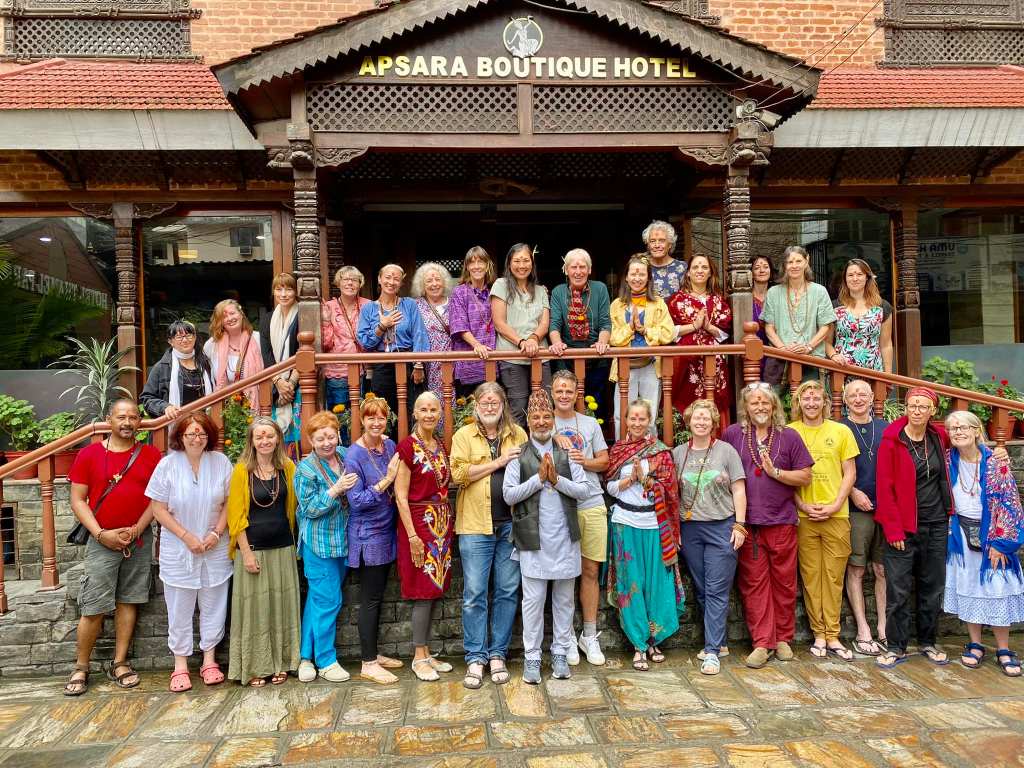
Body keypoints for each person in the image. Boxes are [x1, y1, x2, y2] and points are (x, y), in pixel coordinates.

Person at [63, 399, 161, 696]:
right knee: (93, 605)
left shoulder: (151, 455)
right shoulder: (89, 454)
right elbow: (78, 500)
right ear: (109, 420)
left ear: (140, 422)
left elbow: (157, 499)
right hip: (101, 541)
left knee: (128, 600)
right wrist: (100, 533)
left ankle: (120, 662)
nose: (127, 422)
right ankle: (81, 666)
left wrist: (137, 529)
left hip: (137, 540)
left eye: (133, 417)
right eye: (121, 417)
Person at [722, 383, 813, 669]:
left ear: (774, 406)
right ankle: (762, 642)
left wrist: (776, 473)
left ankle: (783, 638)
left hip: (781, 519)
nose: (760, 407)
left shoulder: (789, 436)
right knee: (753, 584)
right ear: (746, 407)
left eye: (765, 402)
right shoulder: (733, 434)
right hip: (747, 523)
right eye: (754, 402)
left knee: (784, 583)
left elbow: (805, 476)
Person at [504, 391, 590, 684]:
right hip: (533, 538)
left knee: (564, 601)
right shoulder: (518, 455)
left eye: (546, 417)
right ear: (528, 421)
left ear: (553, 420)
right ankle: (532, 657)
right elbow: (509, 495)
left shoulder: (567, 452)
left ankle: (560, 653)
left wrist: (556, 480)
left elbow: (584, 490)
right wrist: (538, 479)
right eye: (536, 417)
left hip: (565, 538)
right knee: (533, 601)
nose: (541, 422)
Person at [147, 413, 232, 692]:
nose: (197, 439)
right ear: (180, 437)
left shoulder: (221, 462)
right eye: (191, 434)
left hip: (214, 546)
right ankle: (180, 665)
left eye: (202, 433)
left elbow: (230, 502)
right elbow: (158, 508)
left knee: (214, 603)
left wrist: (215, 533)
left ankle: (209, 660)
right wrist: (186, 537)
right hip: (178, 547)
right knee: (179, 607)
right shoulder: (167, 465)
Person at [450, 382, 527, 688]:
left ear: (503, 404)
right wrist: (498, 462)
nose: (490, 407)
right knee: (474, 593)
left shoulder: (518, 435)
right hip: (474, 525)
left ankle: (497, 654)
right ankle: (475, 657)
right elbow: (458, 474)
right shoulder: (463, 435)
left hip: (510, 525)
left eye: (495, 402)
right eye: (485, 402)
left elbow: (529, 471)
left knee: (507, 590)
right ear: (476, 406)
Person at [605, 399, 685, 672]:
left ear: (649, 421)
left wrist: (646, 480)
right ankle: (638, 644)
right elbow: (609, 487)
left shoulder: (661, 452)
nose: (637, 423)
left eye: (642, 419)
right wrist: (629, 480)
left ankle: (654, 639)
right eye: (633, 418)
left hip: (654, 523)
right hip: (625, 522)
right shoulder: (618, 450)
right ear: (626, 420)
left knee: (655, 582)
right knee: (631, 582)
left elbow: (670, 491)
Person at [874, 387, 952, 668]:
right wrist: (893, 530)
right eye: (912, 405)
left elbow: (970, 443)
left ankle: (928, 642)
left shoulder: (938, 436)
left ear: (933, 411)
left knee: (932, 587)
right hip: (903, 528)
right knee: (898, 591)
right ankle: (896, 646)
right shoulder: (892, 440)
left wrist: (999, 450)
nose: (916, 411)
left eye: (923, 406)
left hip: (937, 524)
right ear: (906, 408)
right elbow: (884, 488)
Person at [944, 410, 1024, 676]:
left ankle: (1004, 649)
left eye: (964, 427)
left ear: (977, 430)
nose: (958, 432)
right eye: (953, 428)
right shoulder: (947, 460)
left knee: (997, 588)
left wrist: (1001, 543)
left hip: (993, 535)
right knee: (968, 587)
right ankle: (975, 644)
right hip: (960, 536)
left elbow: (1010, 502)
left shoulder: (995, 462)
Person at [226, 416, 300, 686]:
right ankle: (256, 666)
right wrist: (246, 553)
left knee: (282, 609)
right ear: (252, 441)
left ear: (278, 438)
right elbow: (235, 516)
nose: (265, 441)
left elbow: (295, 507)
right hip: (253, 550)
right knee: (255, 612)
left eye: (270, 435)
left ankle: (283, 662)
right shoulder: (241, 471)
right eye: (259, 437)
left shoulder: (288, 467)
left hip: (283, 549)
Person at [674, 400, 747, 675]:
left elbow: (739, 489)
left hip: (721, 527)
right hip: (690, 528)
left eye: (706, 418)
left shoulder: (726, 451)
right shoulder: (678, 453)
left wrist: (740, 525)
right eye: (697, 418)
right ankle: (721, 642)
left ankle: (712, 652)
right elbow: (671, 494)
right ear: (689, 422)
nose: (701, 422)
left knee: (716, 589)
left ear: (713, 422)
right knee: (703, 589)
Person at [789, 380, 858, 660]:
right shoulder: (789, 432)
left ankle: (833, 635)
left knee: (833, 577)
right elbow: (786, 476)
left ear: (825, 403)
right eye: (806, 398)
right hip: (803, 515)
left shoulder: (841, 431)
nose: (811, 403)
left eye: (816, 398)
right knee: (811, 577)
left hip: (836, 515)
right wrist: (802, 504)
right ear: (798, 403)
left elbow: (849, 472)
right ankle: (818, 634)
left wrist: (835, 504)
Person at [294, 411, 359, 684]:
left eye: (331, 436)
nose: (326, 443)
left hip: (342, 542)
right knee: (329, 601)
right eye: (320, 439)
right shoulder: (305, 469)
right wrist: (336, 489)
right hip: (319, 545)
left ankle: (305, 657)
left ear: (338, 435)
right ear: (311, 440)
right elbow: (309, 508)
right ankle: (326, 661)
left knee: (318, 600)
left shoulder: (344, 455)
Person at [395, 391, 455, 681]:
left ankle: (427, 653)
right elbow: (400, 496)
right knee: (421, 591)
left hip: (440, 528)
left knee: (432, 591)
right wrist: (412, 536)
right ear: (415, 413)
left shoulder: (438, 444)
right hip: (419, 526)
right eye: (424, 409)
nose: (429, 414)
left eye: (434, 410)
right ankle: (418, 657)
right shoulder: (407, 447)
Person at [551, 369, 609, 666]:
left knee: (590, 570)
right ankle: (566, 637)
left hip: (591, 501)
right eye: (559, 390)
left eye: (569, 391)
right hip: (558, 506)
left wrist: (583, 460)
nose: (564, 395)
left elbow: (604, 461)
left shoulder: (588, 423)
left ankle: (589, 634)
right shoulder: (544, 423)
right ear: (552, 393)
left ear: (576, 394)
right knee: (563, 573)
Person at [343, 395, 403, 684]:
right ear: (362, 420)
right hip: (367, 535)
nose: (376, 422)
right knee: (369, 600)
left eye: (381, 417)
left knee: (379, 597)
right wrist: (386, 481)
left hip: (387, 529)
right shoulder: (353, 456)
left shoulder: (388, 445)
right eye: (371, 418)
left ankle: (374, 654)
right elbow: (356, 501)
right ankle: (367, 663)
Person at [840, 378, 889, 656]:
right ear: (845, 400)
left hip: (885, 509)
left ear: (872, 398)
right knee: (856, 569)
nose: (858, 399)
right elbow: (833, 469)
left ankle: (883, 627)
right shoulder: (839, 428)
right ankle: (862, 629)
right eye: (852, 395)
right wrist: (852, 492)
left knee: (882, 569)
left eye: (863, 394)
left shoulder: (885, 428)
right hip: (856, 509)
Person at [609, 254, 675, 438]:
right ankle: (622, 452)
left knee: (650, 416)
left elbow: (668, 333)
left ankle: (651, 452)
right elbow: (612, 338)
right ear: (626, 277)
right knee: (621, 415)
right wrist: (630, 328)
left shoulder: (658, 303)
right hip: (625, 366)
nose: (637, 278)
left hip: (650, 365)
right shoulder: (617, 305)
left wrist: (645, 330)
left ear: (648, 278)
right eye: (633, 274)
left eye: (641, 274)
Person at [357, 264, 430, 427]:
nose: (391, 282)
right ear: (379, 279)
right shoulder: (368, 309)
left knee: (411, 408)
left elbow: (419, 333)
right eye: (388, 277)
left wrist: (418, 364)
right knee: (384, 411)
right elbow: (365, 342)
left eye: (396, 279)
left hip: (408, 361)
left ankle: (409, 443)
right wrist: (382, 326)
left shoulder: (409, 304)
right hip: (382, 364)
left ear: (401, 283)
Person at [548, 248, 612, 423]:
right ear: (566, 270)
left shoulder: (600, 288)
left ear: (589, 269)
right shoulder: (558, 291)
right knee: (565, 403)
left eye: (582, 267)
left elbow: (605, 322)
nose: (578, 272)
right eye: (573, 267)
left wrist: (602, 342)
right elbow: (554, 324)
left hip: (595, 356)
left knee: (595, 407)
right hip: (566, 358)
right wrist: (556, 343)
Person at [491, 243, 551, 427]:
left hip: (540, 355)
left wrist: (533, 339)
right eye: (517, 261)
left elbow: (544, 323)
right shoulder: (501, 285)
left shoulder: (540, 290)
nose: (522, 265)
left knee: (544, 406)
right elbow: (499, 323)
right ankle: (518, 446)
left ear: (532, 263)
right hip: (512, 356)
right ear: (509, 264)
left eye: (526, 260)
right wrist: (522, 342)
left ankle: (542, 446)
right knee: (518, 407)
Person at [666, 254, 733, 419]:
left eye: (704, 267)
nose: (700, 271)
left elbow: (725, 333)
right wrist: (694, 326)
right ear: (688, 273)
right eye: (695, 267)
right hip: (686, 362)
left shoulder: (718, 301)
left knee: (714, 404)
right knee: (687, 403)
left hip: (713, 362)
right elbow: (668, 332)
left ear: (710, 273)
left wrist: (709, 327)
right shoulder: (676, 300)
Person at [761, 245, 836, 385]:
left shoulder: (819, 291)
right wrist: (783, 349)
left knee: (810, 397)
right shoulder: (773, 292)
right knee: (772, 398)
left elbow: (825, 327)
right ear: (785, 265)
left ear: (806, 261)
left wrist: (808, 347)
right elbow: (769, 328)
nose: (794, 266)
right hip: (779, 359)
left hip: (811, 358)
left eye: (798, 261)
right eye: (790, 262)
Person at [259, 273, 302, 458]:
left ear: (296, 291)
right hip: (276, 387)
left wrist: (290, 384)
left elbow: (304, 352)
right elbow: (266, 354)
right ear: (273, 292)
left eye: (289, 289)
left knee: (299, 435)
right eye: (279, 289)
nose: (283, 294)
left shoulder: (303, 315)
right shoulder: (267, 319)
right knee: (277, 435)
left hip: (298, 384)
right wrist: (278, 382)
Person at [827, 258, 894, 373]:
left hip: (873, 372)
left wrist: (888, 375)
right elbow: (826, 342)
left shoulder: (883, 307)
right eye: (850, 275)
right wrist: (833, 355)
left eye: (859, 274)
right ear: (845, 279)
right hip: (842, 371)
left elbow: (886, 345)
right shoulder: (834, 307)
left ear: (867, 277)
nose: (855, 279)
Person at [448, 246, 497, 399]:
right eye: (472, 262)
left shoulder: (495, 291)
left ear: (487, 265)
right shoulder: (459, 292)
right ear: (467, 267)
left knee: (492, 407)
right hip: (468, 364)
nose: (476, 266)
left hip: (493, 362)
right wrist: (477, 345)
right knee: (467, 410)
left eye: (480, 261)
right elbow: (459, 325)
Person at [140, 319, 213, 419]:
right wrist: (165, 407)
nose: (185, 340)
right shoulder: (162, 367)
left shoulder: (206, 363)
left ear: (195, 337)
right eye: (179, 337)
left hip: (202, 423)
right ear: (170, 341)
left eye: (188, 335)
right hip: (177, 423)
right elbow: (147, 398)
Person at [321, 265, 370, 414]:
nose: (350, 283)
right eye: (346, 279)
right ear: (338, 283)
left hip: (364, 370)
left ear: (360, 284)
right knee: (340, 417)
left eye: (354, 280)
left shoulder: (368, 305)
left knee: (362, 415)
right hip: (337, 372)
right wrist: (326, 321)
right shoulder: (329, 307)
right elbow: (325, 344)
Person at [204, 298, 264, 410]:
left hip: (255, 406)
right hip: (224, 408)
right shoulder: (211, 345)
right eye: (224, 317)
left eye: (232, 313)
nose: (230, 318)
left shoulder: (258, 339)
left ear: (241, 314)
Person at [411, 261, 455, 403]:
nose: (434, 284)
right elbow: (413, 335)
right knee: (429, 402)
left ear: (444, 282)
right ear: (422, 285)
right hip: (427, 365)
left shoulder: (455, 302)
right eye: (429, 281)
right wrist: (417, 363)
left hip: (453, 362)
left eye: (437, 279)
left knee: (453, 401)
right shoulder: (416, 305)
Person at [643, 220, 687, 299]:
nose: (657, 245)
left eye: (662, 241)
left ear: (670, 244)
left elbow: (688, 297)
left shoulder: (682, 267)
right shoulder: (642, 265)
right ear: (648, 245)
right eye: (652, 241)